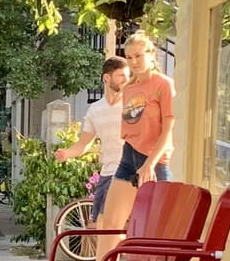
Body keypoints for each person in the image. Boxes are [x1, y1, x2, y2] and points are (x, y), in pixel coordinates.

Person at [102, 31, 175, 230]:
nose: (134, 61)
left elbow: (168, 130)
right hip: (129, 155)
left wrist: (150, 164)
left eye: (139, 55)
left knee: (157, 229)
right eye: (129, 57)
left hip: (154, 162)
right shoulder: (129, 89)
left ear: (151, 54)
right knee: (110, 223)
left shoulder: (164, 85)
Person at [55, 58, 128, 227]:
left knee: (111, 224)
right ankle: (109, 254)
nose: (126, 80)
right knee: (98, 225)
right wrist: (66, 153)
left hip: (127, 172)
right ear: (106, 78)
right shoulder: (95, 110)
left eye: (127, 76)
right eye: (121, 76)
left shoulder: (131, 105)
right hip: (107, 172)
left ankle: (113, 253)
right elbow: (84, 143)